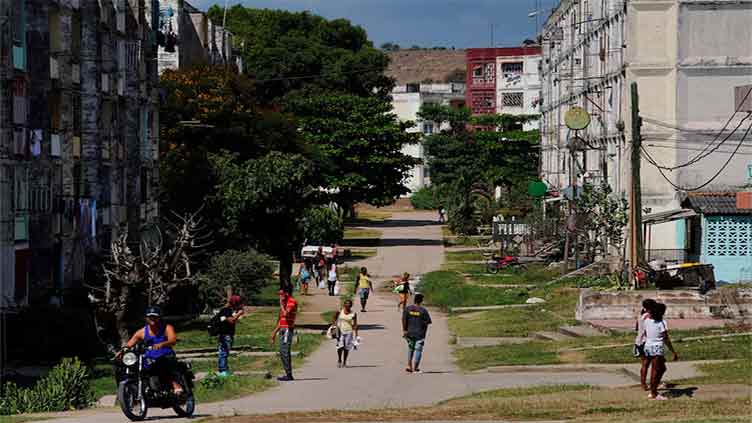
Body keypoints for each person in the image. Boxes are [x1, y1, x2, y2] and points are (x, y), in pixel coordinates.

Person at [119, 306, 182, 394]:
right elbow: (130, 343)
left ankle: (175, 384)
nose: (152, 319)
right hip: (150, 357)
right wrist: (122, 351)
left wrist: (162, 344)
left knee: (163, 365)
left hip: (165, 355)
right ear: (146, 318)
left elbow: (173, 340)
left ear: (159, 317)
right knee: (137, 366)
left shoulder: (167, 328)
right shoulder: (142, 332)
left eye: (155, 317)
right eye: (150, 317)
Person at [641, 302, 679, 400]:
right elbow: (666, 338)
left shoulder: (647, 320)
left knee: (661, 369)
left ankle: (654, 388)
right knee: (655, 371)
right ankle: (654, 393)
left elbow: (645, 333)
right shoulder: (661, 323)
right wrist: (673, 351)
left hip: (647, 347)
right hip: (656, 348)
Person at [271, 288, 298, 381]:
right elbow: (282, 321)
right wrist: (274, 333)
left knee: (285, 351)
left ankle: (289, 374)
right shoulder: (285, 303)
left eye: (282, 294)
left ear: (286, 293)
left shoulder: (291, 302)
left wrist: (281, 304)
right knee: (282, 351)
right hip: (283, 329)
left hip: (287, 330)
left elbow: (286, 314)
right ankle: (287, 372)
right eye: (279, 294)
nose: (280, 296)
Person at [216, 295, 246, 377]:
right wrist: (238, 314)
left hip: (227, 334)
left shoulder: (228, 310)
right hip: (225, 335)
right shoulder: (226, 310)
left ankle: (224, 369)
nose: (241, 306)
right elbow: (231, 321)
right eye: (239, 304)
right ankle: (222, 371)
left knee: (225, 352)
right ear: (235, 303)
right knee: (223, 352)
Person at [402, 293, 432, 374]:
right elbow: (428, 322)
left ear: (414, 300)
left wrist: (405, 330)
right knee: (418, 350)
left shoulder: (408, 309)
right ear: (421, 301)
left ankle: (409, 366)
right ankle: (415, 368)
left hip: (409, 333)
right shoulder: (423, 311)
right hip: (420, 334)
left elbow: (404, 320)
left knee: (410, 349)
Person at [634, 298, 657, 391]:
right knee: (653, 364)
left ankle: (643, 384)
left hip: (639, 341)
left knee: (644, 364)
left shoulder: (640, 316)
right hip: (647, 342)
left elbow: (636, 328)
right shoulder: (649, 316)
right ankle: (652, 384)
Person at [331, 299, 358, 368]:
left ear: (351, 306)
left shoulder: (353, 314)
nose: (348, 305)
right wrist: (334, 325)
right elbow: (334, 318)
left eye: (349, 304)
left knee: (346, 347)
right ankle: (339, 360)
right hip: (340, 331)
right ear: (344, 305)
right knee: (340, 346)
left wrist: (356, 335)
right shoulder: (340, 311)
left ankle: (345, 362)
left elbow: (355, 325)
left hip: (349, 332)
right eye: (346, 304)